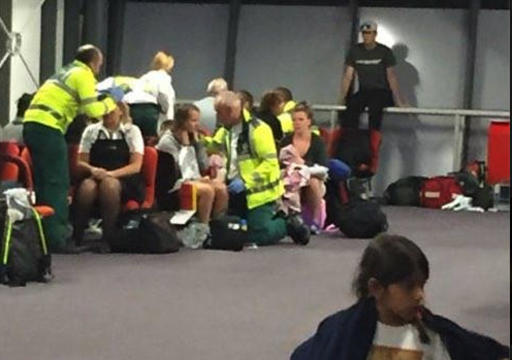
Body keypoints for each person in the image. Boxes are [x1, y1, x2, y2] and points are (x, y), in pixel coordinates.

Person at [290, 233, 510, 359]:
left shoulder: (437, 336)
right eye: (409, 287)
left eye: (422, 286)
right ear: (376, 288)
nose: (419, 296)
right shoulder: (342, 333)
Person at [23, 44, 123, 254]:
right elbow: (92, 110)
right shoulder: (83, 75)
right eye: (99, 65)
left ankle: (43, 236)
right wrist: (112, 101)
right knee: (57, 183)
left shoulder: (64, 72)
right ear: (94, 63)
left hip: (32, 125)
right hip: (49, 128)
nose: (98, 70)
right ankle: (57, 239)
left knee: (42, 183)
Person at [202, 91, 309, 246]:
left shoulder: (259, 130)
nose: (217, 116)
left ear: (231, 112)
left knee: (257, 235)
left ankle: (287, 224)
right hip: (235, 190)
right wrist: (199, 139)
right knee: (232, 230)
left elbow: (270, 163)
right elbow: (215, 145)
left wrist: (246, 182)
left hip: (259, 193)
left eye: (219, 112)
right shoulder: (226, 130)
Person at [336, 20, 406, 175]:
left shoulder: (384, 52)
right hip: (364, 91)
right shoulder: (355, 51)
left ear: (375, 34)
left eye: (369, 33)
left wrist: (399, 100)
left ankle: (371, 148)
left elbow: (391, 77)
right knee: (351, 109)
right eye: (364, 33)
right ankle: (350, 148)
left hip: (381, 92)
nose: (366, 36)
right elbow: (348, 76)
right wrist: (341, 99)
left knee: (375, 111)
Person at [72, 101, 144, 247]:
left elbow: (136, 166)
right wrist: (93, 170)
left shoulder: (132, 131)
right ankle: (77, 234)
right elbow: (81, 162)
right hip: (95, 174)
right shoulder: (91, 130)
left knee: (109, 186)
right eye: (103, 110)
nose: (107, 114)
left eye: (110, 110)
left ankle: (109, 237)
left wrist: (111, 174)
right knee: (87, 187)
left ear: (120, 111)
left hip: (124, 178)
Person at [156, 104, 228, 240]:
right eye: (193, 121)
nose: (197, 125)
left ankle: (218, 228)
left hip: (192, 180)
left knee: (221, 188)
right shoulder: (167, 142)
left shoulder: (193, 138)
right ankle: (203, 231)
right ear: (182, 122)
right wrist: (185, 146)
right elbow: (180, 171)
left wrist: (198, 144)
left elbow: (203, 165)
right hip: (174, 185)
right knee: (207, 190)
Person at [278, 104, 328, 231]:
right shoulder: (286, 141)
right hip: (291, 177)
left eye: (301, 120)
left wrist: (301, 162)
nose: (297, 123)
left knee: (312, 181)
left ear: (309, 121)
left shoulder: (317, 142)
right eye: (294, 120)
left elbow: (323, 166)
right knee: (292, 181)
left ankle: (315, 221)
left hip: (313, 178)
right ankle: (293, 220)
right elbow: (279, 164)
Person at [125, 51, 176, 142]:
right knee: (148, 141)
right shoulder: (163, 78)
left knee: (133, 140)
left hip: (132, 109)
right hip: (148, 112)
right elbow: (165, 97)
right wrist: (168, 119)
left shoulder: (144, 77)